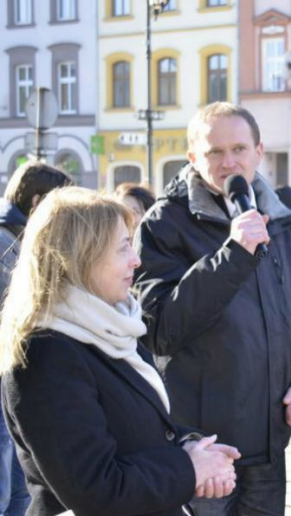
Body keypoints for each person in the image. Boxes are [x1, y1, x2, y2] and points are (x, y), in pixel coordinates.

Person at [0, 187, 240, 516]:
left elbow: (144, 428)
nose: (136, 259)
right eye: (123, 246)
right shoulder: (45, 355)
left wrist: (195, 448)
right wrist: (189, 468)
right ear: (81, 257)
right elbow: (96, 490)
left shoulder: (112, 324)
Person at [134, 102, 291, 516]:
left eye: (239, 148)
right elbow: (161, 329)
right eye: (214, 152)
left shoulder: (282, 220)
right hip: (202, 446)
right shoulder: (163, 224)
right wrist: (234, 253)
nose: (229, 162)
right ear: (193, 158)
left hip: (271, 439)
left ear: (259, 151)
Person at [0, 161, 72, 516]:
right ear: (38, 202)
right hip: (6, 376)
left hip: (12, 377)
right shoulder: (5, 242)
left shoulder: (15, 237)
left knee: (18, 491)